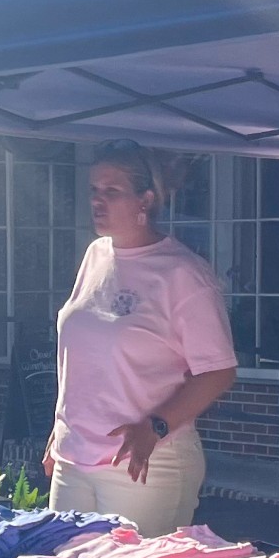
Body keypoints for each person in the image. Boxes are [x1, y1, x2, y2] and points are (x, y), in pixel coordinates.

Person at [44, 141, 238, 536]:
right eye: (94, 191)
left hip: (145, 463)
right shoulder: (96, 255)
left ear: (145, 200)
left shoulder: (183, 274)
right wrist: (59, 429)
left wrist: (156, 427)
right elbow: (83, 359)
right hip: (73, 457)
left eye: (111, 192)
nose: (98, 201)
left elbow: (218, 372)